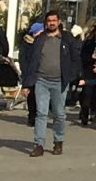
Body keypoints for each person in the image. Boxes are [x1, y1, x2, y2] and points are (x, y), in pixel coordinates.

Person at [30, 10, 82, 159]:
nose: (51, 23)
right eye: (49, 21)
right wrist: (28, 83)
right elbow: (32, 60)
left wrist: (72, 75)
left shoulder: (66, 38)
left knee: (59, 114)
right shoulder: (40, 39)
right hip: (42, 80)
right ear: (46, 23)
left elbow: (75, 58)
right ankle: (38, 144)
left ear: (59, 22)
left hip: (59, 81)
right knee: (41, 113)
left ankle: (58, 141)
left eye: (54, 20)